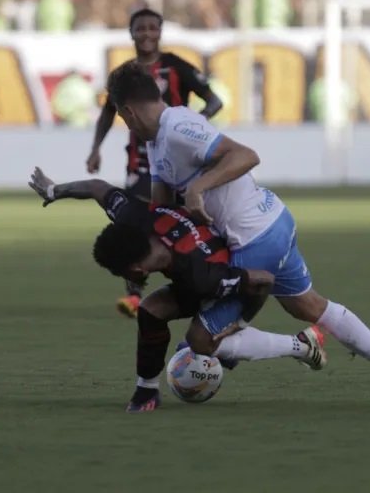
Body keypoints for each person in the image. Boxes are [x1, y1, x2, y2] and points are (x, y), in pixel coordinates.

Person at [106, 61, 370, 405]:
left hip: (253, 239)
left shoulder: (178, 127)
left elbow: (245, 156)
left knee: (200, 340)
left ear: (127, 111)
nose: (125, 123)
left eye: (121, 117)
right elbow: (161, 209)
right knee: (307, 304)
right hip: (271, 225)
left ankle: (299, 346)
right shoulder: (156, 143)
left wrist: (198, 188)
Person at [28, 167, 326, 413]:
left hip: (227, 276)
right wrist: (54, 191)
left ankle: (301, 345)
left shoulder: (202, 273)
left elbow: (263, 281)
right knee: (150, 311)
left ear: (136, 269)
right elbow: (96, 187)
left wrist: (241, 321)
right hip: (197, 273)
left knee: (202, 342)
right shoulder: (129, 215)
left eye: (124, 274)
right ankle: (147, 391)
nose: (127, 280)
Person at [86, 8, 224, 319]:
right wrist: (95, 148)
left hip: (179, 163)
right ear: (131, 33)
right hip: (140, 163)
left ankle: (210, 281)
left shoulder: (177, 67)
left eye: (152, 28)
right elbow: (107, 114)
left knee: (192, 222)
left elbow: (214, 101)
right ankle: (134, 295)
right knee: (132, 224)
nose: (147, 33)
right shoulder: (125, 75)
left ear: (160, 32)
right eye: (141, 28)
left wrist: (193, 123)